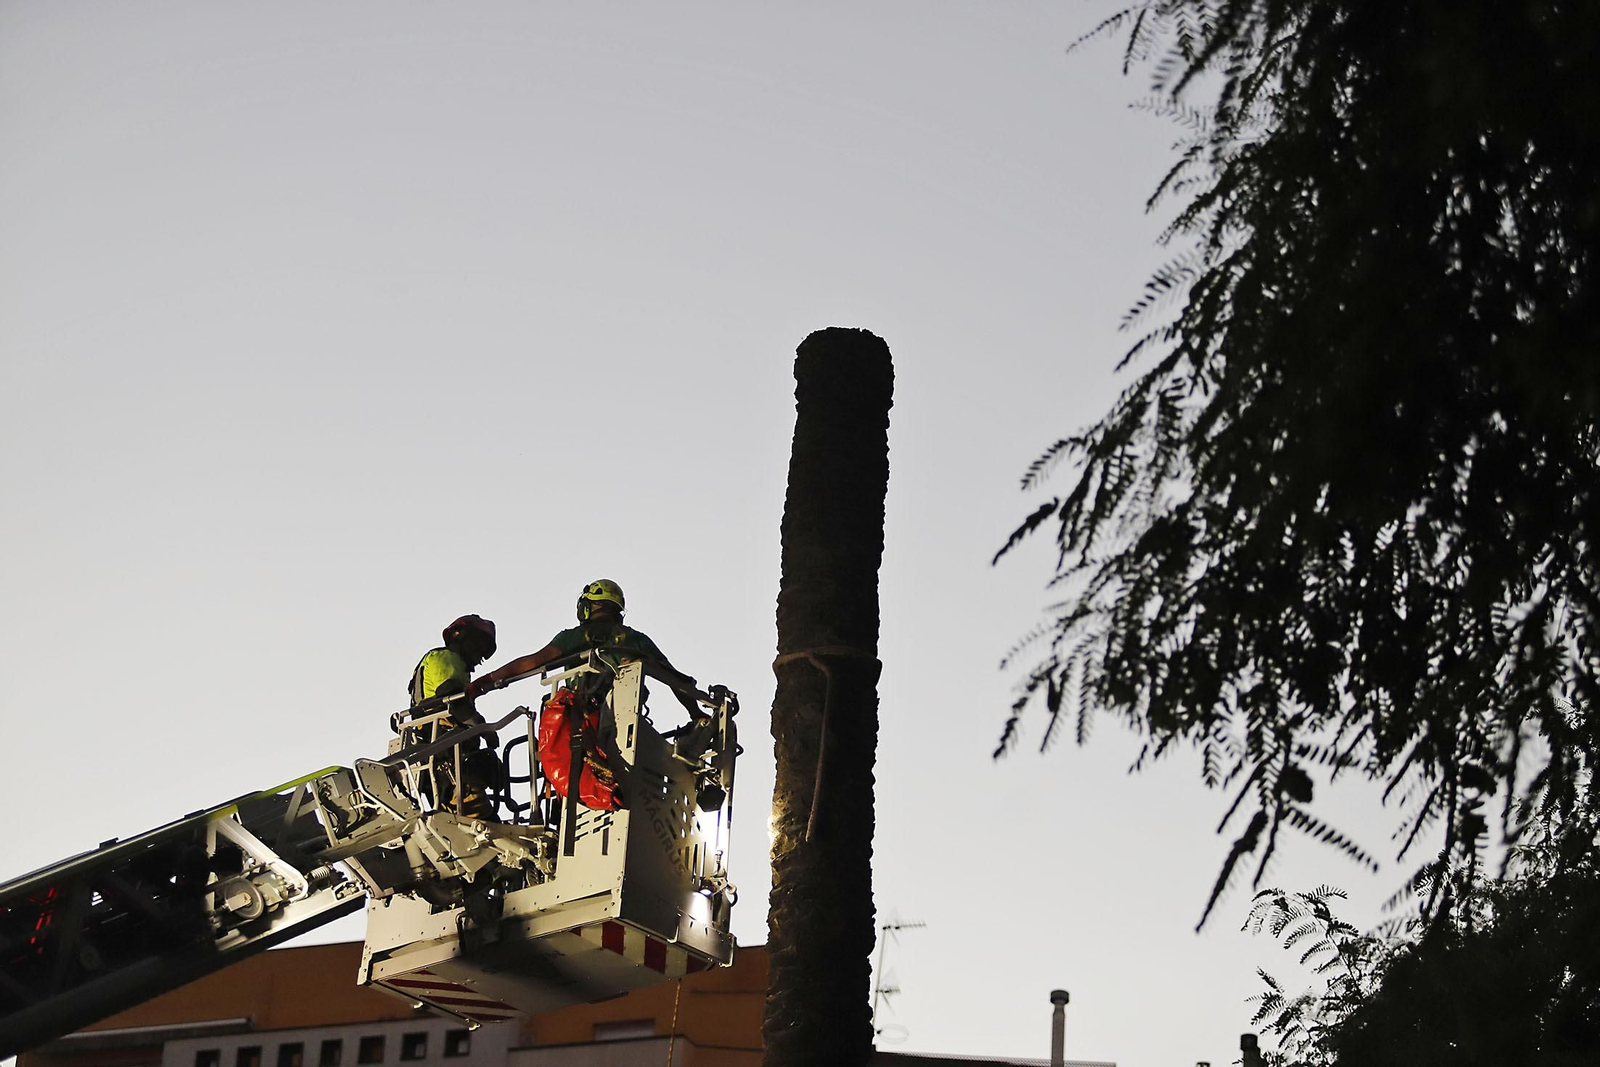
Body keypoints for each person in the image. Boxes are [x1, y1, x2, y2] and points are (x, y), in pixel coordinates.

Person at [471, 580, 709, 814]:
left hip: (580, 723)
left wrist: (488, 681)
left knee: (574, 775)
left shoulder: (577, 636)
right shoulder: (637, 641)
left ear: (588, 606)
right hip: (625, 726)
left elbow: (533, 662)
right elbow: (674, 679)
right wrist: (697, 714)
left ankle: (579, 804)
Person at [406, 614, 501, 818]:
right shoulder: (446, 658)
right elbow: (453, 700)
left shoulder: (447, 663)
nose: (480, 656)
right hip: (447, 757)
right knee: (481, 818)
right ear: (460, 636)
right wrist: (484, 729)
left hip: (443, 757)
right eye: (479, 645)